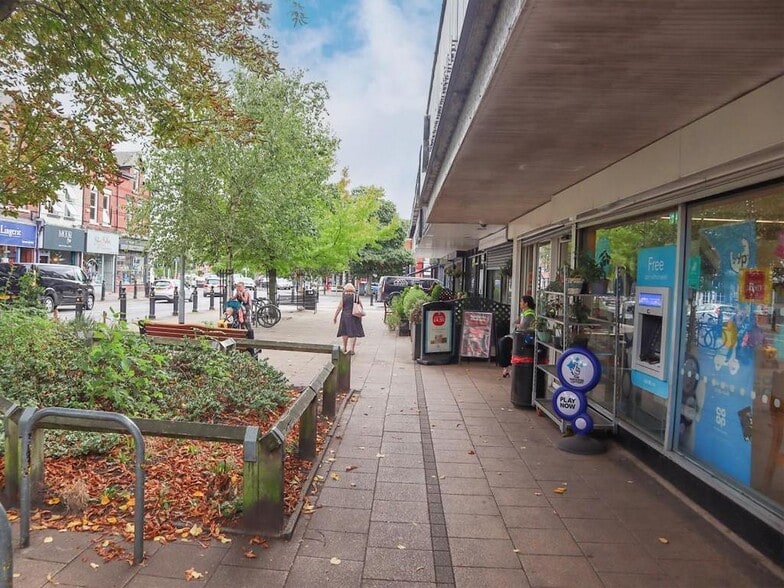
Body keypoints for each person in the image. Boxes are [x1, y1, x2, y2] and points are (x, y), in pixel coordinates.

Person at [498, 295, 536, 377]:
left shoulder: (529, 314)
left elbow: (522, 326)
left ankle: (507, 366)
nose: (520, 303)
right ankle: (506, 366)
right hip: (518, 335)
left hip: (524, 337)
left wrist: (517, 325)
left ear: (526, 303)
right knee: (502, 341)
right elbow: (514, 323)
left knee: (504, 342)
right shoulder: (524, 313)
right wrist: (518, 324)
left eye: (521, 302)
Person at [333, 282, 365, 354]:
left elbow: (340, 307)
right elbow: (361, 306)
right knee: (353, 333)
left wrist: (335, 316)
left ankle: (344, 347)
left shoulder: (344, 296)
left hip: (345, 316)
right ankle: (352, 349)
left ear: (345, 289)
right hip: (355, 316)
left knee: (344, 332)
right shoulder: (356, 296)